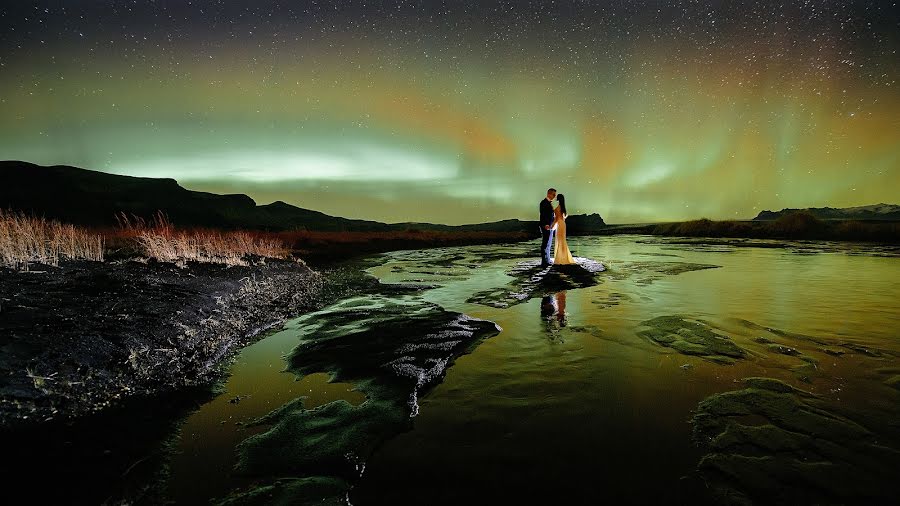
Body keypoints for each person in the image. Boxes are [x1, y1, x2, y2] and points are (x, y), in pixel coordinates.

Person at [552, 193, 576, 265]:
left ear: (558, 198)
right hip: (563, 224)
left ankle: (560, 258)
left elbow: (556, 219)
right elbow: (563, 218)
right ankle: (564, 257)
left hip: (559, 224)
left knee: (560, 240)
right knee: (562, 241)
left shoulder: (558, 208)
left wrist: (552, 226)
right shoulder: (563, 208)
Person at [539, 188, 557, 266]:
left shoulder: (548, 203)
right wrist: (546, 224)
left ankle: (547, 259)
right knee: (545, 243)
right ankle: (544, 261)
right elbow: (543, 214)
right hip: (546, 226)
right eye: (553, 194)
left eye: (555, 195)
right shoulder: (544, 203)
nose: (554, 196)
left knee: (548, 243)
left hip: (550, 226)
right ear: (549, 194)